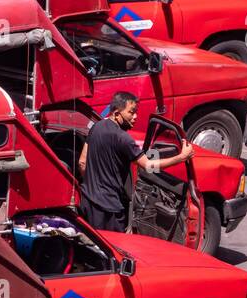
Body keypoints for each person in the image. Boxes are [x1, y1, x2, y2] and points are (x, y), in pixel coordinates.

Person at [78, 91, 194, 232]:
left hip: (88, 201)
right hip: (109, 210)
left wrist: (92, 186)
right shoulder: (123, 139)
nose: (135, 117)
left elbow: (82, 162)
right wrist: (181, 157)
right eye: (131, 112)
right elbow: (148, 165)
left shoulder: (96, 127)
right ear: (116, 113)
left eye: (136, 112)